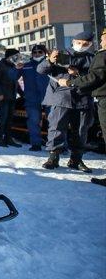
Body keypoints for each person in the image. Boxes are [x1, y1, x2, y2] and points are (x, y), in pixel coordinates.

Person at [37, 31, 96, 171]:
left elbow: (95, 76)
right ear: (73, 42)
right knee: (56, 126)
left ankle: (76, 159)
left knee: (81, 130)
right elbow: (40, 70)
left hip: (83, 98)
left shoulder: (92, 58)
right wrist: (50, 61)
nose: (81, 46)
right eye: (79, 43)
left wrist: (78, 74)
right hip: (61, 97)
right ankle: (53, 156)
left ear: (90, 45)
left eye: (85, 44)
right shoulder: (60, 54)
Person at [58, 28, 106, 185]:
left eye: (104, 37)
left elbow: (95, 77)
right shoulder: (64, 54)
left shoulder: (101, 55)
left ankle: (76, 158)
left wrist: (71, 81)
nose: (102, 40)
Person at [20, 44, 50, 151]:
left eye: (40, 52)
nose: (37, 54)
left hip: (49, 97)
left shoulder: (50, 64)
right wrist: (15, 68)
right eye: (35, 52)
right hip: (32, 98)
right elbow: (12, 76)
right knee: (33, 121)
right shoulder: (26, 66)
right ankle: (35, 144)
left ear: (44, 53)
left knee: (55, 122)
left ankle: (58, 145)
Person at [0, 48, 23, 147]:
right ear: (9, 57)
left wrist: (22, 93)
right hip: (2, 97)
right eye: (15, 56)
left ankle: (8, 138)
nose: (17, 58)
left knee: (10, 119)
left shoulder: (13, 66)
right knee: (3, 117)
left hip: (11, 96)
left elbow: (15, 81)